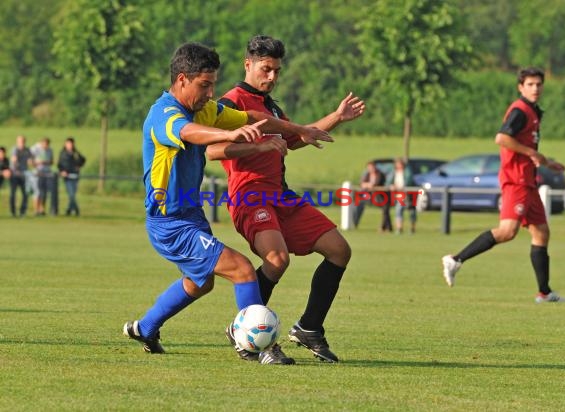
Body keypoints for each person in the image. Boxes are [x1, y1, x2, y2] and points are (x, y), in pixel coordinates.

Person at [123, 42, 332, 361]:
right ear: (182, 80)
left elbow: (253, 117)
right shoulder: (164, 114)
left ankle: (146, 327)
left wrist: (299, 129)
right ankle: (259, 348)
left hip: (191, 217)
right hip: (170, 223)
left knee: (199, 283)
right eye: (204, 85)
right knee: (243, 269)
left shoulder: (203, 108)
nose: (210, 93)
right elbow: (190, 132)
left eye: (213, 85)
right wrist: (227, 135)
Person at [209, 35, 366, 364]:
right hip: (250, 196)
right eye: (266, 69)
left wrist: (336, 116)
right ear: (248, 64)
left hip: (282, 196)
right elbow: (212, 149)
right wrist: (259, 146)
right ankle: (246, 334)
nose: (271, 77)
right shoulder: (230, 103)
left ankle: (309, 328)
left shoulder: (272, 106)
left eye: (277, 71)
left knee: (339, 250)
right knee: (277, 260)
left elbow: (296, 138)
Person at [442, 67, 565, 303]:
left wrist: (547, 162)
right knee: (507, 231)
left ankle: (544, 292)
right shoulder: (520, 111)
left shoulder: (533, 111)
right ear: (521, 87)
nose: (536, 88)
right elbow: (502, 138)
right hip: (516, 181)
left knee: (541, 232)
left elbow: (526, 148)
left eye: (539, 84)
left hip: (528, 182)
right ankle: (455, 260)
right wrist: (531, 152)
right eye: (530, 84)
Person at [353, 161, 392, 232]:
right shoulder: (368, 174)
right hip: (371, 196)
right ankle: (354, 223)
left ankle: (386, 228)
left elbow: (376, 184)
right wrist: (369, 185)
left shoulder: (380, 174)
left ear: (375, 167)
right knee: (358, 204)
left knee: (385, 210)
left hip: (381, 196)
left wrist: (368, 185)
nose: (370, 169)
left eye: (371, 167)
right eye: (369, 167)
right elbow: (362, 183)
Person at [57, 137, 86, 216]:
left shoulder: (75, 153)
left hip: (75, 175)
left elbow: (83, 160)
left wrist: (79, 166)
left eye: (71, 144)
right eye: (68, 144)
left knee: (72, 193)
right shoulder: (62, 153)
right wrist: (62, 171)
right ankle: (76, 210)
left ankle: (69, 210)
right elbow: (59, 164)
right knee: (71, 194)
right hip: (67, 176)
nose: (69, 145)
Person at [388, 157, 417, 234]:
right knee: (399, 210)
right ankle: (399, 228)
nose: (398, 165)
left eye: (400, 164)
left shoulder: (407, 172)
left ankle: (412, 228)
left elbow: (408, 181)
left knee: (411, 210)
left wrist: (402, 187)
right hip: (399, 194)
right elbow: (389, 182)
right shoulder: (394, 172)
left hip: (408, 194)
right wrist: (392, 186)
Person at [9, 135, 33, 217]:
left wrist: (30, 162)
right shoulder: (14, 149)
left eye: (22, 141)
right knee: (13, 194)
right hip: (15, 175)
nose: (21, 143)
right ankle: (13, 212)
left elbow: (30, 160)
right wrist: (15, 161)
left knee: (25, 194)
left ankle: (22, 211)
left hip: (24, 175)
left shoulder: (27, 150)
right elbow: (13, 159)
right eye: (19, 142)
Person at [30, 137, 54, 216]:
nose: (45, 147)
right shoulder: (35, 148)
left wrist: (46, 162)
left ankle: (42, 209)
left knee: (44, 192)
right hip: (37, 173)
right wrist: (37, 163)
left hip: (46, 173)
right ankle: (36, 210)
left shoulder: (49, 150)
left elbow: (51, 161)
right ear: (41, 143)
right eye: (44, 144)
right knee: (37, 192)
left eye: (47, 145)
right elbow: (30, 161)